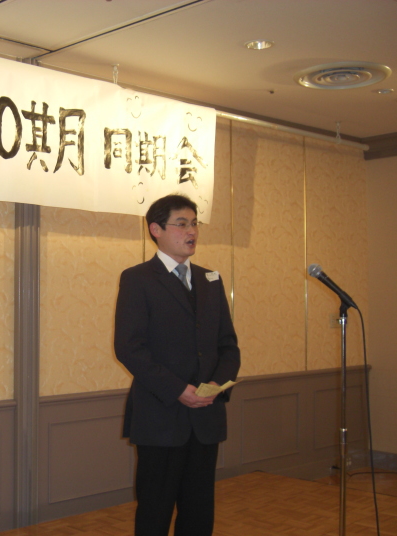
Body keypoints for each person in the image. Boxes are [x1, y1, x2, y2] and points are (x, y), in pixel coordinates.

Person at [114, 194, 240, 536]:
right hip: (161, 415)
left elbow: (228, 346)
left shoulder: (211, 279)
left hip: (205, 416)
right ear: (156, 230)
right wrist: (179, 390)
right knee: (154, 512)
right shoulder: (138, 278)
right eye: (181, 224)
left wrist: (215, 388)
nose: (192, 231)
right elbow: (129, 348)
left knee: (199, 511)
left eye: (195, 223)